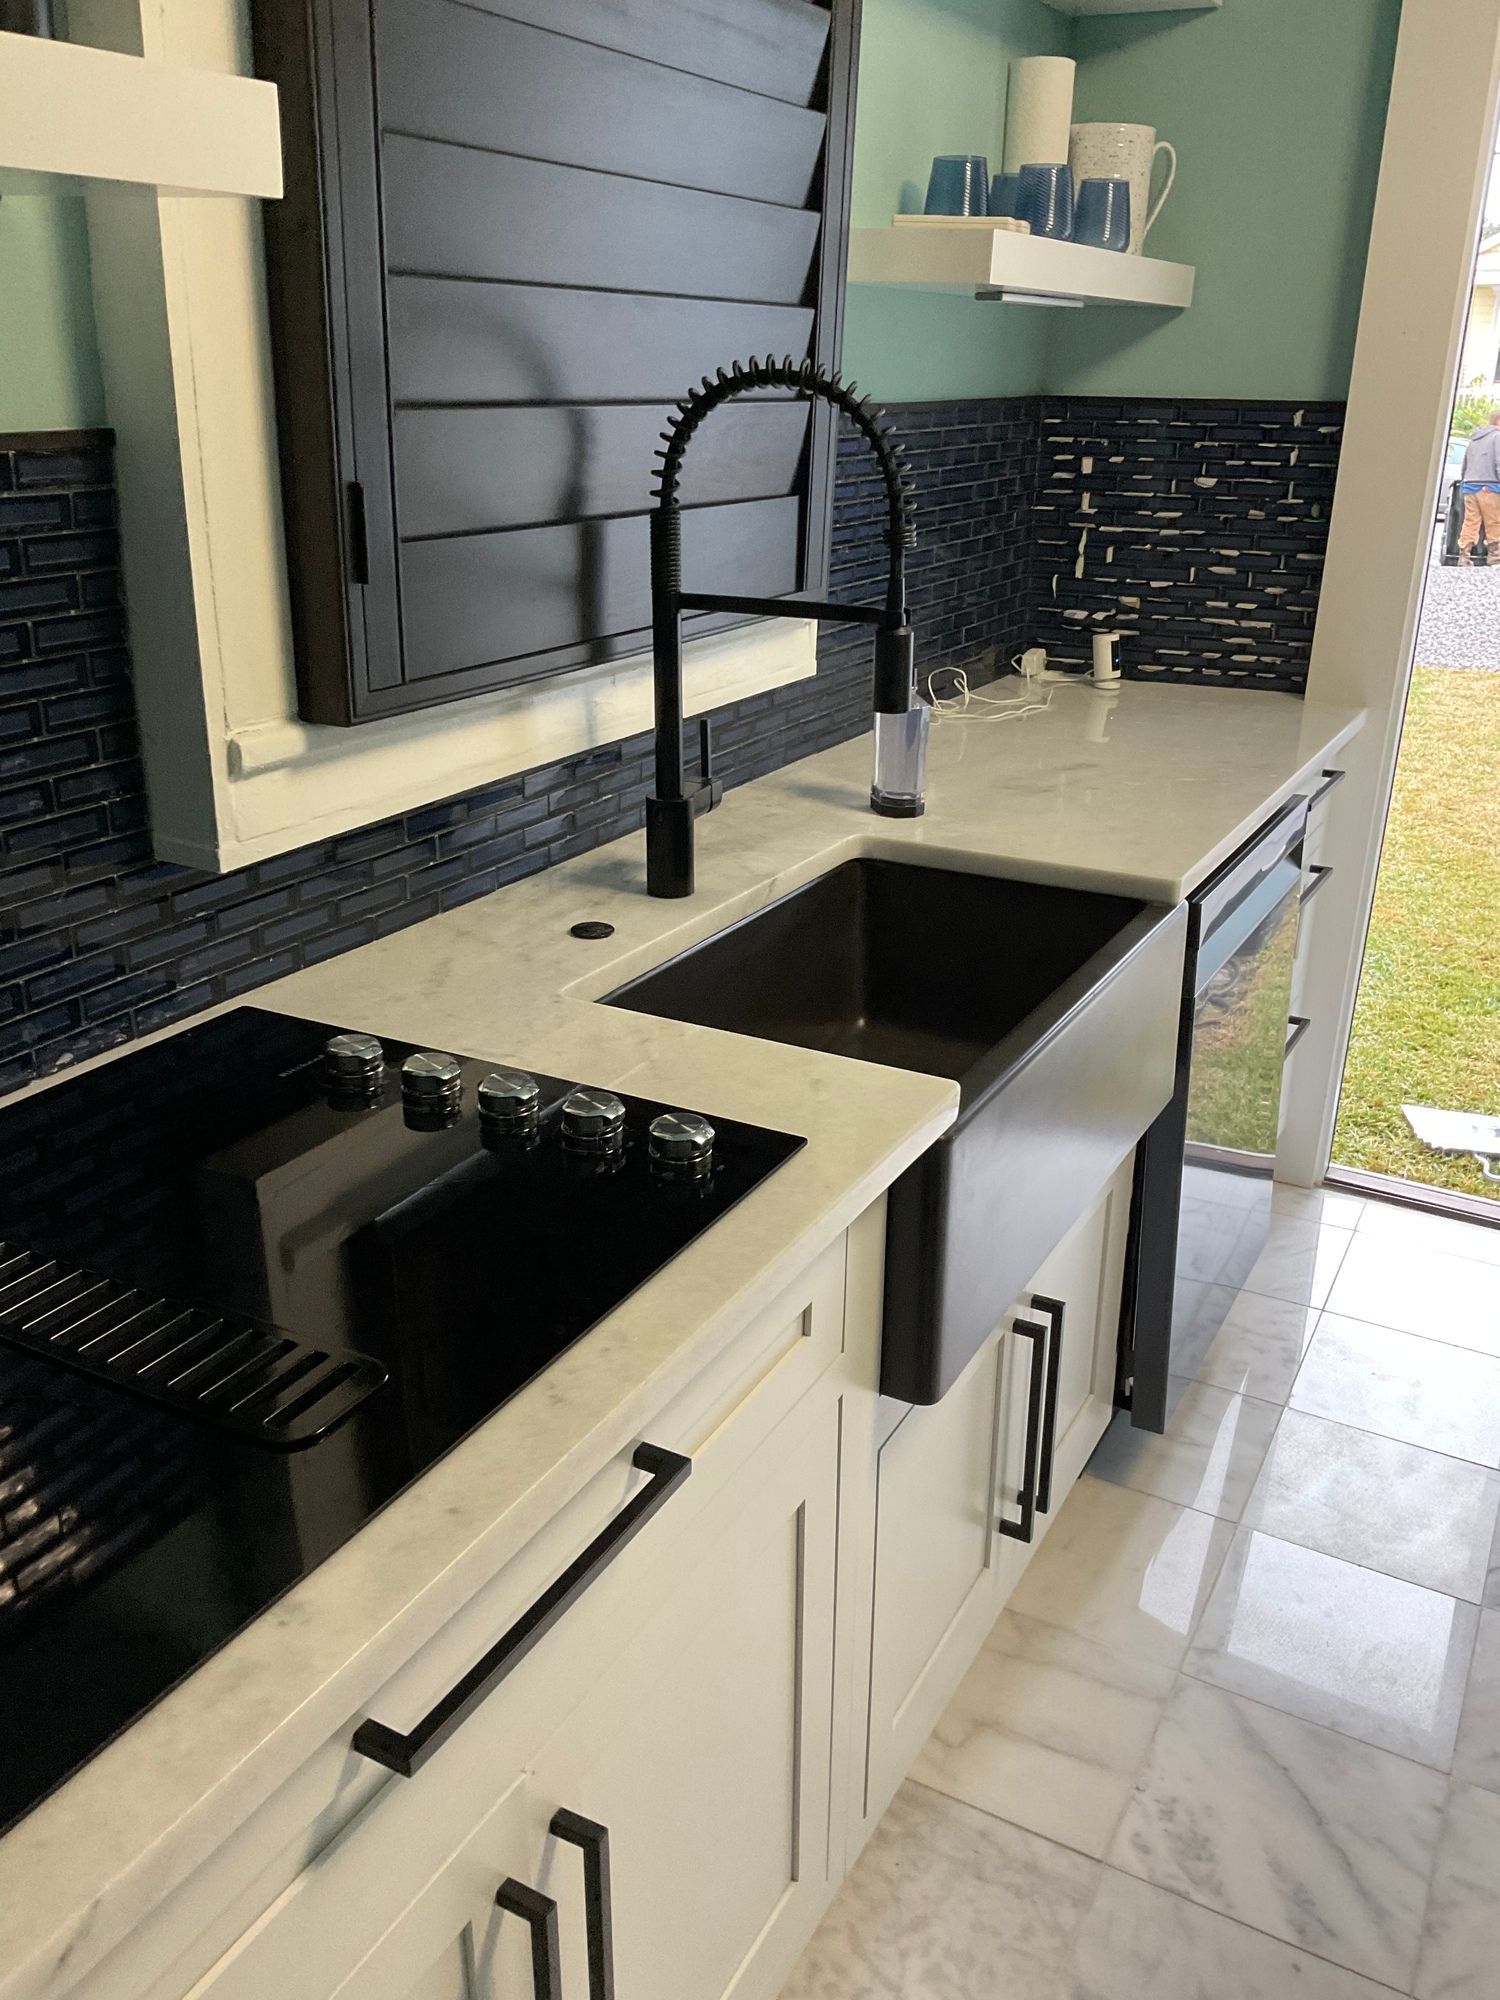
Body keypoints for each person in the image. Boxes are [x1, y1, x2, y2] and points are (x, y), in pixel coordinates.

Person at [1459, 407, 1500, 564]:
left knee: (1471, 522)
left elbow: (1465, 465)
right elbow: (1499, 462)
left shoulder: (1474, 440)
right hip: (1490, 486)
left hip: (1470, 485)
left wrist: (1465, 482)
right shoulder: (1497, 437)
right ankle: (1495, 557)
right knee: (1494, 521)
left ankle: (1464, 555)